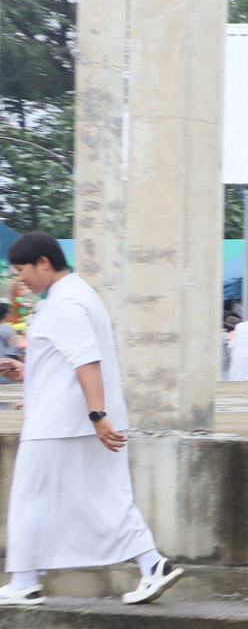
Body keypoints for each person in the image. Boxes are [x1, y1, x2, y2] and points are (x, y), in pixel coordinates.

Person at [0, 234, 181, 607]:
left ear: (43, 263)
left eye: (22, 272)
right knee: (104, 500)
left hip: (61, 423)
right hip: (73, 420)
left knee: (31, 498)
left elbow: (86, 361)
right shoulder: (75, 294)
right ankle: (153, 565)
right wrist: (26, 371)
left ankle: (24, 581)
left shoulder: (66, 301)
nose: (20, 281)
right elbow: (66, 362)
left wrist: (97, 415)